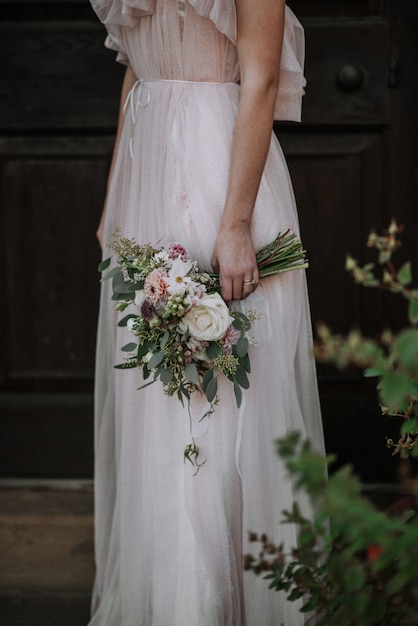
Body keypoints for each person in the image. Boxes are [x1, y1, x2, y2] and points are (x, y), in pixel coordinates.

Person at [88, 1, 325, 624]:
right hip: (149, 175)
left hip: (217, 168)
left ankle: (226, 603)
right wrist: (115, 194)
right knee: (155, 402)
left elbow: (262, 78)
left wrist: (238, 224)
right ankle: (171, 598)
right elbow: (137, 71)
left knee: (215, 395)